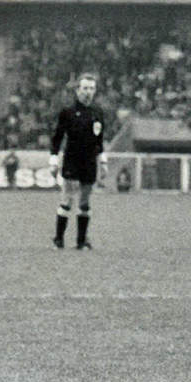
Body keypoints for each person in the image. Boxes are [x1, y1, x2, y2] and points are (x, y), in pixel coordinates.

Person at [49, 73, 108, 250]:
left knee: (84, 201)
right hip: (71, 159)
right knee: (67, 199)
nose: (87, 92)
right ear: (77, 90)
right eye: (84, 88)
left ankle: (81, 242)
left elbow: (99, 140)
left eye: (91, 88)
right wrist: (53, 159)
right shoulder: (67, 112)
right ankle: (58, 239)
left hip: (89, 161)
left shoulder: (98, 113)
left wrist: (103, 162)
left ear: (95, 91)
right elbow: (57, 138)